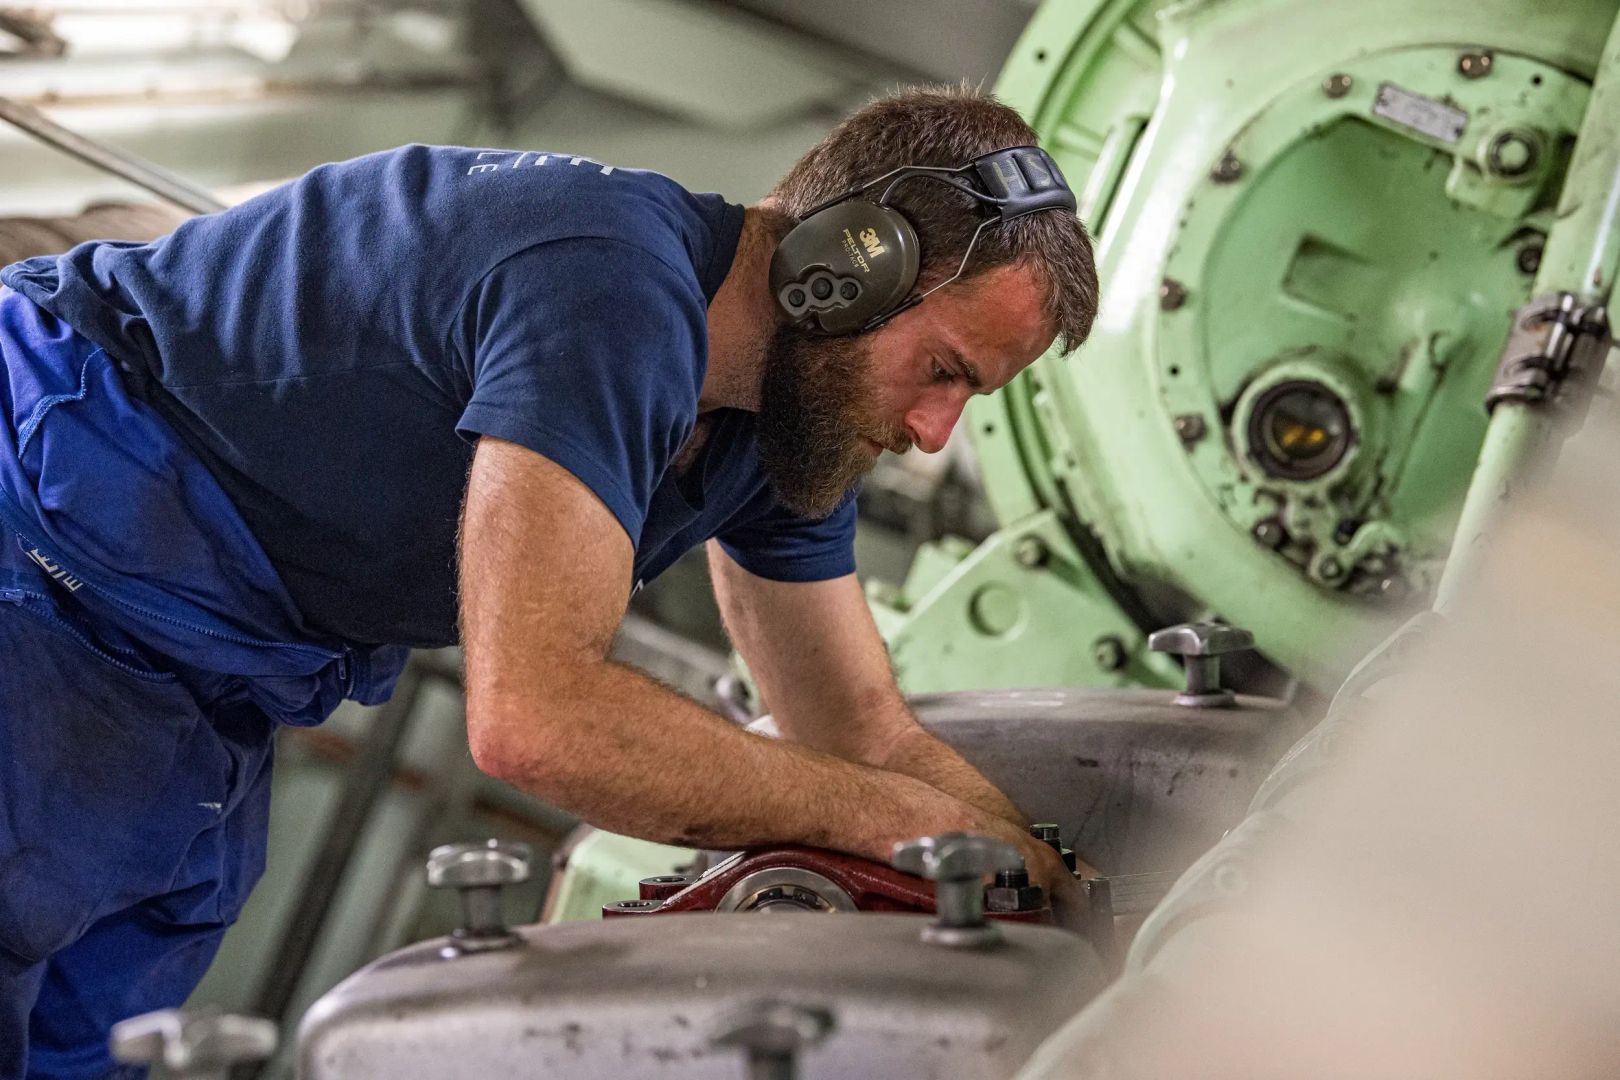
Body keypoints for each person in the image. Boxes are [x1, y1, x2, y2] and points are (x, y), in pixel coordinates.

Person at [0, 84, 1097, 1076]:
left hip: (216, 670)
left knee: (92, 1051)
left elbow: (864, 730)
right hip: (54, 543)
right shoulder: (611, 284)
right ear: (852, 265)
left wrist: (1051, 882)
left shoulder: (779, 435)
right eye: (943, 370)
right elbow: (538, 720)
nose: (930, 429)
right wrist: (892, 821)